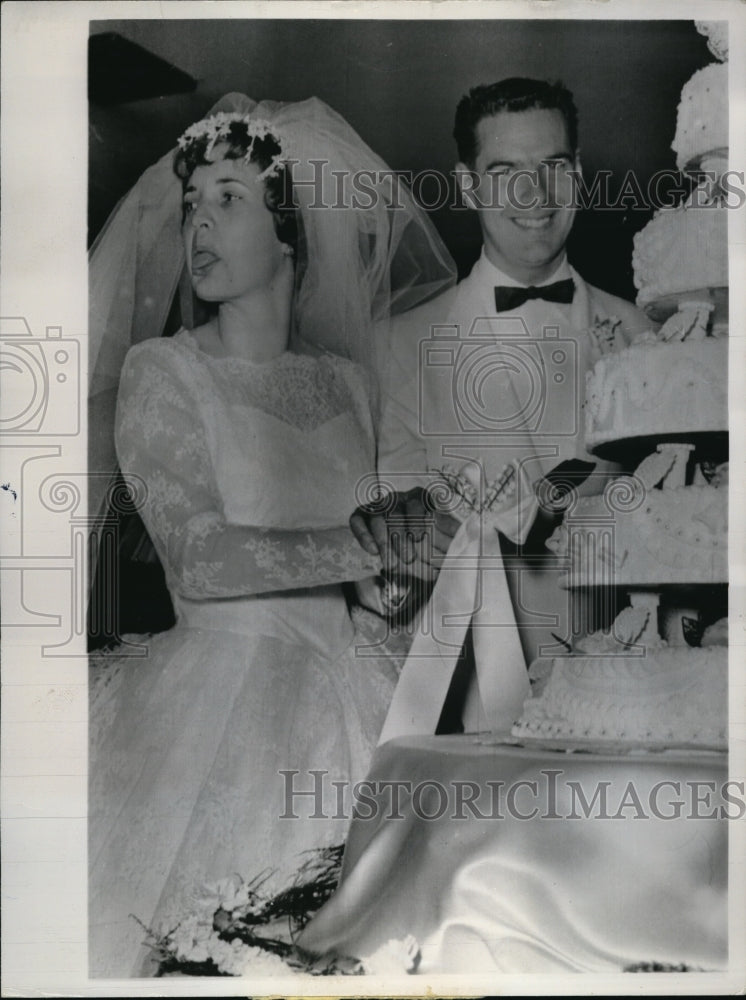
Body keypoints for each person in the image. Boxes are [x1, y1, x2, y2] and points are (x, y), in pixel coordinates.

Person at [87, 93, 456, 977]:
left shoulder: (348, 385)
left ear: (291, 230)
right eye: (191, 207)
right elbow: (201, 557)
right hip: (219, 710)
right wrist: (368, 542)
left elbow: (374, 596)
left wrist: (411, 564)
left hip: (359, 706)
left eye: (229, 199)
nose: (199, 226)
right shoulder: (164, 369)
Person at [351, 78, 651, 740]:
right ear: (467, 186)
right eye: (505, 171)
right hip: (472, 713)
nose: (535, 197)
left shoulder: (644, 335)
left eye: (554, 168)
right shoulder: (399, 344)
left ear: (580, 172)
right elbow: (401, 546)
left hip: (637, 700)